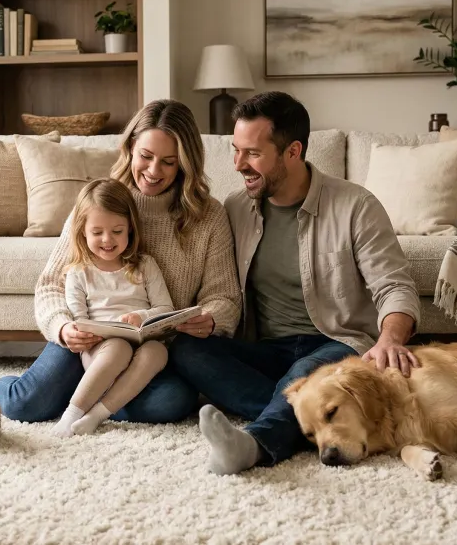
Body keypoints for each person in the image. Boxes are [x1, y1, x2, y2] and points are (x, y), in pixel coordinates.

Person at [168, 91, 422, 475]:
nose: (238, 164)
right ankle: (311, 415)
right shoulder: (235, 209)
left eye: (252, 153)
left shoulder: (355, 206)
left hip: (336, 346)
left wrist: (389, 339)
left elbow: (394, 286)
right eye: (235, 150)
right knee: (186, 349)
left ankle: (255, 444)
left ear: (292, 151)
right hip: (266, 350)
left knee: (303, 372)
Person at [0, 100, 241, 424]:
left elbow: (225, 296)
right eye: (146, 157)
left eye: (168, 162)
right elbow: (51, 283)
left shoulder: (209, 216)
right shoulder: (103, 200)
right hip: (89, 341)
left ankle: (88, 399)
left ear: (185, 163)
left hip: (152, 352)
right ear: (130, 148)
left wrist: (210, 319)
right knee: (25, 405)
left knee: (172, 402)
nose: (153, 172)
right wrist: (64, 328)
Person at [52, 179, 174, 437]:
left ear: (130, 228)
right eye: (97, 233)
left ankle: (96, 415)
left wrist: (140, 316)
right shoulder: (79, 272)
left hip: (141, 343)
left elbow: (165, 308)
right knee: (118, 347)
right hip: (100, 348)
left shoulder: (145, 265)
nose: (107, 240)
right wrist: (82, 333)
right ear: (82, 232)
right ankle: (72, 414)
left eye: (117, 231)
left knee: (158, 351)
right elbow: (79, 319)